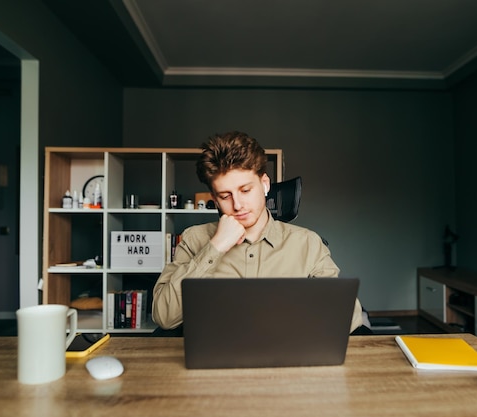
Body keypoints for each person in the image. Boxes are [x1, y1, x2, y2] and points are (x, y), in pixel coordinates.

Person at [151, 131, 367, 333]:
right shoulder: (194, 239)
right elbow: (164, 317)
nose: (237, 205)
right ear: (214, 199)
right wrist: (214, 247)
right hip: (217, 364)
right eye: (225, 196)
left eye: (245, 190)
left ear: (265, 184)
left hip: (290, 356)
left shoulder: (307, 243)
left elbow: (350, 319)